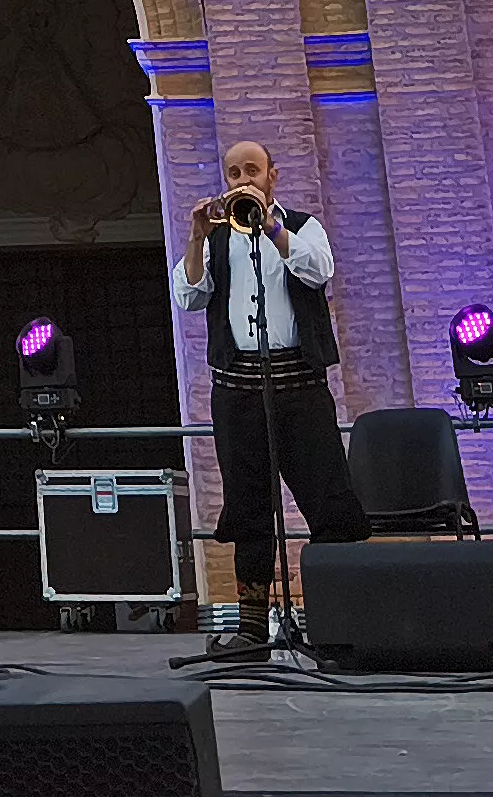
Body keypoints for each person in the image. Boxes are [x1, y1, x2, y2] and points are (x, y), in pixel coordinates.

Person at [172, 138, 369, 658]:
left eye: (252, 171)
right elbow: (189, 297)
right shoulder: (216, 239)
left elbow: (318, 271)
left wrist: (273, 227)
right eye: (234, 172)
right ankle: (252, 630)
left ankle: (343, 623)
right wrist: (196, 237)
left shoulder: (303, 227)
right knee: (248, 508)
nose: (243, 181)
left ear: (272, 176)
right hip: (238, 391)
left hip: (300, 387)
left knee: (329, 500)